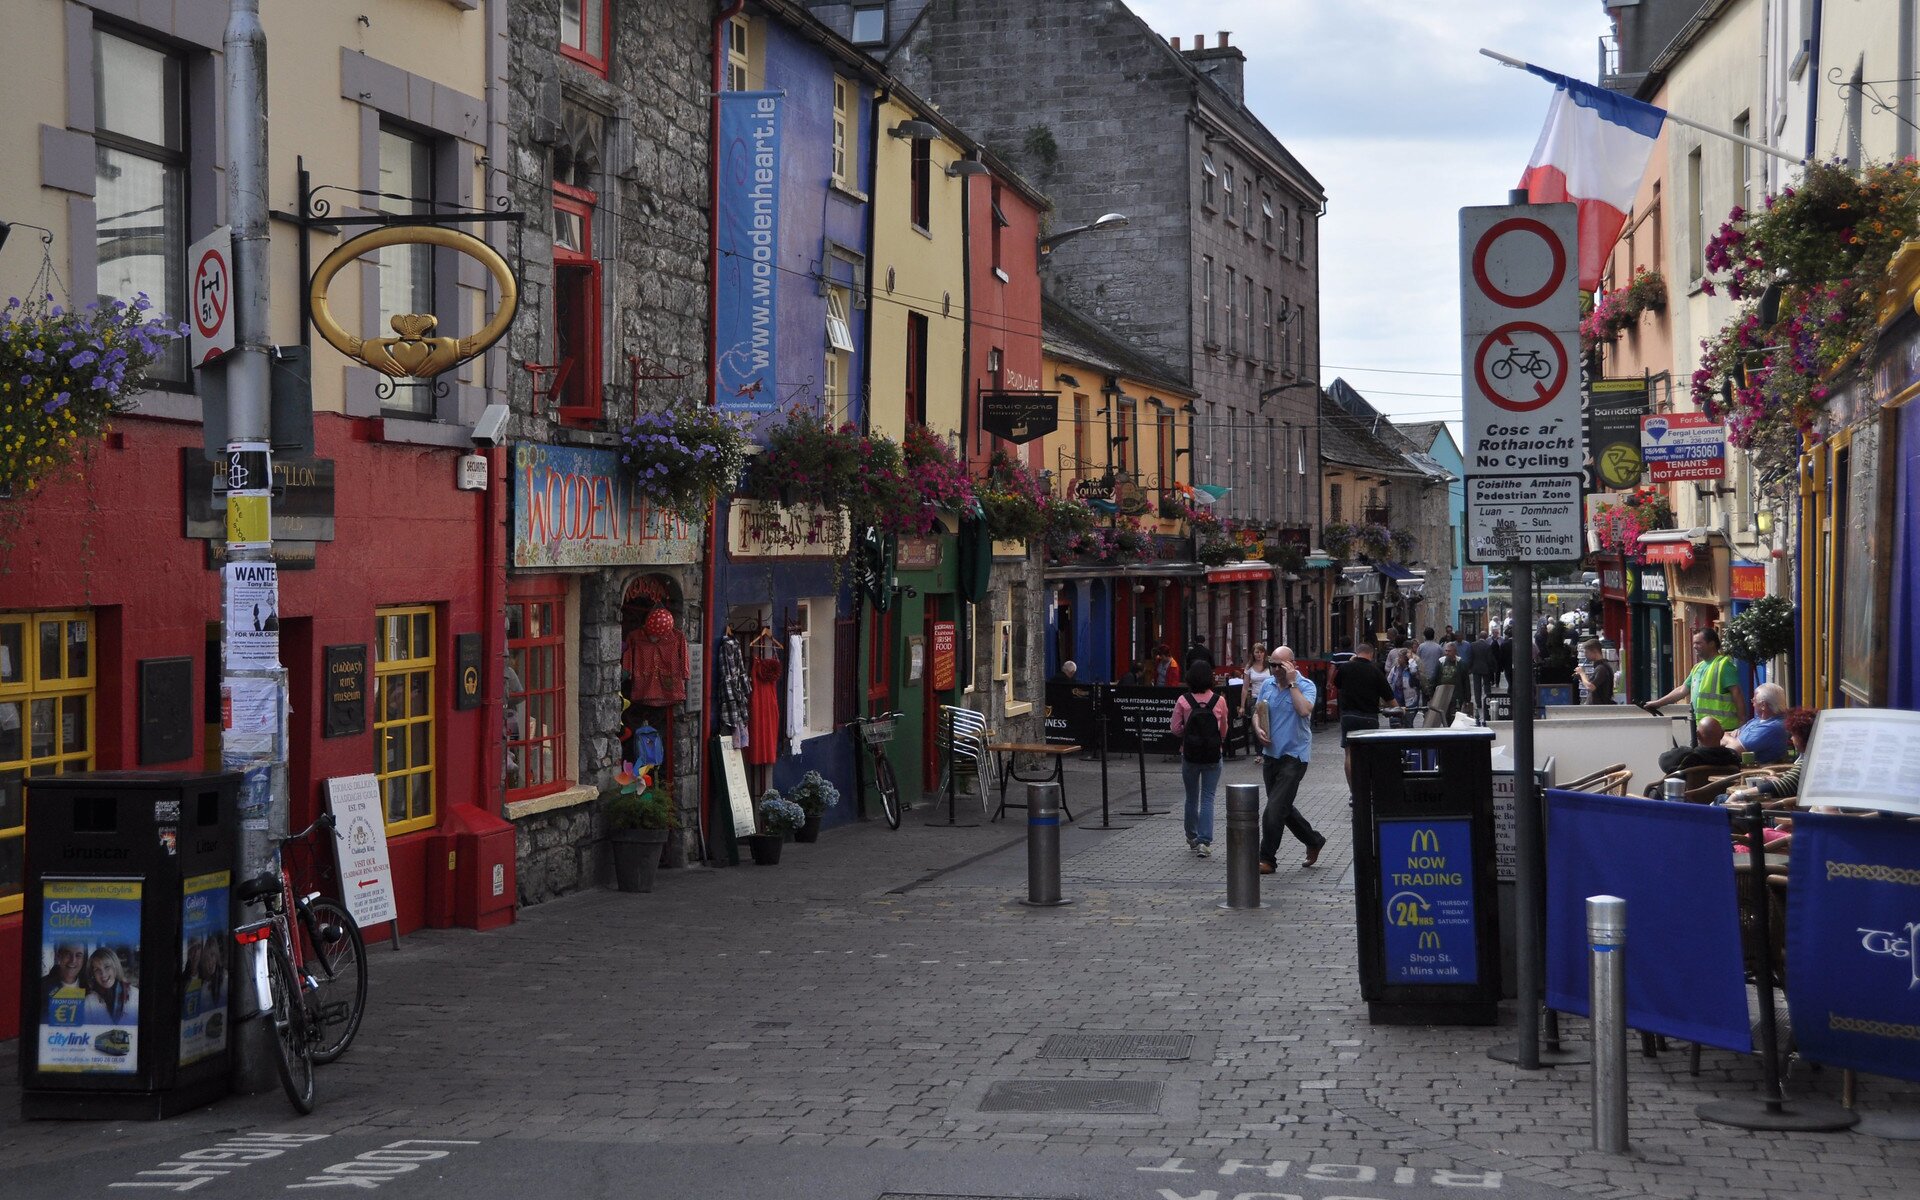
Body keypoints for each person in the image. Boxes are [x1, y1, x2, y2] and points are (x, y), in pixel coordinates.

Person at [1252, 646, 1327, 871]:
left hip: (1294, 756)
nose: (1274, 669)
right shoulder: (1267, 684)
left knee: (1273, 809)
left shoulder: (1306, 686)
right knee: (1282, 808)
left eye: (1279, 665)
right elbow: (1258, 711)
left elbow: (1305, 711)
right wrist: (1257, 728)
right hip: (1271, 755)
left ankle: (1267, 859)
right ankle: (1314, 840)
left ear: (1292, 664)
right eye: (1271, 664)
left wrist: (1292, 683)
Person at [1168, 662, 1229, 857]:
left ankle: (1191, 836)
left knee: (1191, 797)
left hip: (1190, 754)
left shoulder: (1183, 700)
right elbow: (1224, 731)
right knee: (1208, 797)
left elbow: (1175, 729)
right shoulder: (1219, 701)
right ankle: (1205, 841)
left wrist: (1189, 732)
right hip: (1212, 754)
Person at [1643, 625, 1747, 730]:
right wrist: (1658, 703)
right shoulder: (1698, 667)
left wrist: (1742, 721)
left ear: (1711, 644)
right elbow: (1682, 690)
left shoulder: (1724, 665)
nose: (1694, 646)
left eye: (1698, 643)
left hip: (1722, 728)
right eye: (1693, 643)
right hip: (1702, 727)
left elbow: (1737, 694)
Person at [1334, 641, 1398, 789]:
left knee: (1349, 754)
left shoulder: (1346, 668)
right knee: (1369, 753)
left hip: (1348, 716)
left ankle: (1353, 792)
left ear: (1357, 653)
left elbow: (1337, 683)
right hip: (1369, 718)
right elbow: (1389, 697)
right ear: (1372, 654)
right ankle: (1368, 789)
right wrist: (1398, 709)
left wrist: (1350, 662)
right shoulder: (1375, 670)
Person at [1724, 683, 1791, 765]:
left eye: (1754, 700)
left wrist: (1728, 738)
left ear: (1763, 705)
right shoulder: (1758, 720)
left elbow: (1730, 750)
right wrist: (1734, 740)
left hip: (1755, 774)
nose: (1753, 704)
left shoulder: (1771, 728)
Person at [1656, 716, 1743, 775]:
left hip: (1688, 799)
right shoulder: (1733, 758)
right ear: (1722, 734)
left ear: (1697, 735)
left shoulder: (1688, 756)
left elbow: (1663, 762)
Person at [81, 946, 138, 1024]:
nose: (103, 974)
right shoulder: (89, 1002)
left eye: (107, 967)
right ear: (92, 975)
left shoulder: (135, 994)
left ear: (115, 967)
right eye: (97, 970)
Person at [41, 942, 86, 1015]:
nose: (73, 960)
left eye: (78, 955)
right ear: (59, 956)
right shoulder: (41, 987)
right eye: (68, 954)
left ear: (83, 960)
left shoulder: (90, 988)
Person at [1431, 641, 1465, 722]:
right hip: (1443, 694)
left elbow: (1465, 680)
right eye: (1446, 651)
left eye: (1449, 651)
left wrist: (1467, 698)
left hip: (1456, 694)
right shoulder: (1441, 662)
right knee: (1444, 715)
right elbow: (1435, 678)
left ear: (1454, 651)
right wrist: (1432, 694)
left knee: (1454, 715)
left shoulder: (1460, 663)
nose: (1447, 653)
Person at [1575, 639, 1614, 705]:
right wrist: (1581, 678)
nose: (1585, 655)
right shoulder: (1600, 667)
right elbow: (1592, 684)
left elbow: (1590, 687)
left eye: (1587, 652)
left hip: (1599, 708)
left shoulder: (1601, 668)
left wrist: (1582, 673)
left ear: (1595, 651)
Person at [1468, 629, 1496, 716]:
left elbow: (1471, 657)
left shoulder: (1472, 645)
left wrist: (1470, 667)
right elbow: (1489, 659)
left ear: (1478, 636)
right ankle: (1487, 700)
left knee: (1477, 686)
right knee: (1487, 685)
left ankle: (1478, 703)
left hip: (1476, 668)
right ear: (1486, 637)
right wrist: (1492, 668)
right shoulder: (1487, 646)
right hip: (1485, 668)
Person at [1385, 647, 1420, 712]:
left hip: (1409, 700)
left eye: (1400, 657)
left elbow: (1414, 670)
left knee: (1407, 720)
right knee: (1395, 720)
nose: (1398, 659)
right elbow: (1389, 681)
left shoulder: (1410, 670)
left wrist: (1410, 659)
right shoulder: (1395, 669)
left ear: (1405, 659)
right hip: (1397, 698)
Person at [1413, 628, 1443, 701]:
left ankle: (1425, 710)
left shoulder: (1421, 647)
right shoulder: (1438, 647)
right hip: (1435, 674)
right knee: (1435, 696)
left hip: (1424, 674)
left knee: (1424, 696)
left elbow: (1417, 659)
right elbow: (1441, 660)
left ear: (1425, 636)